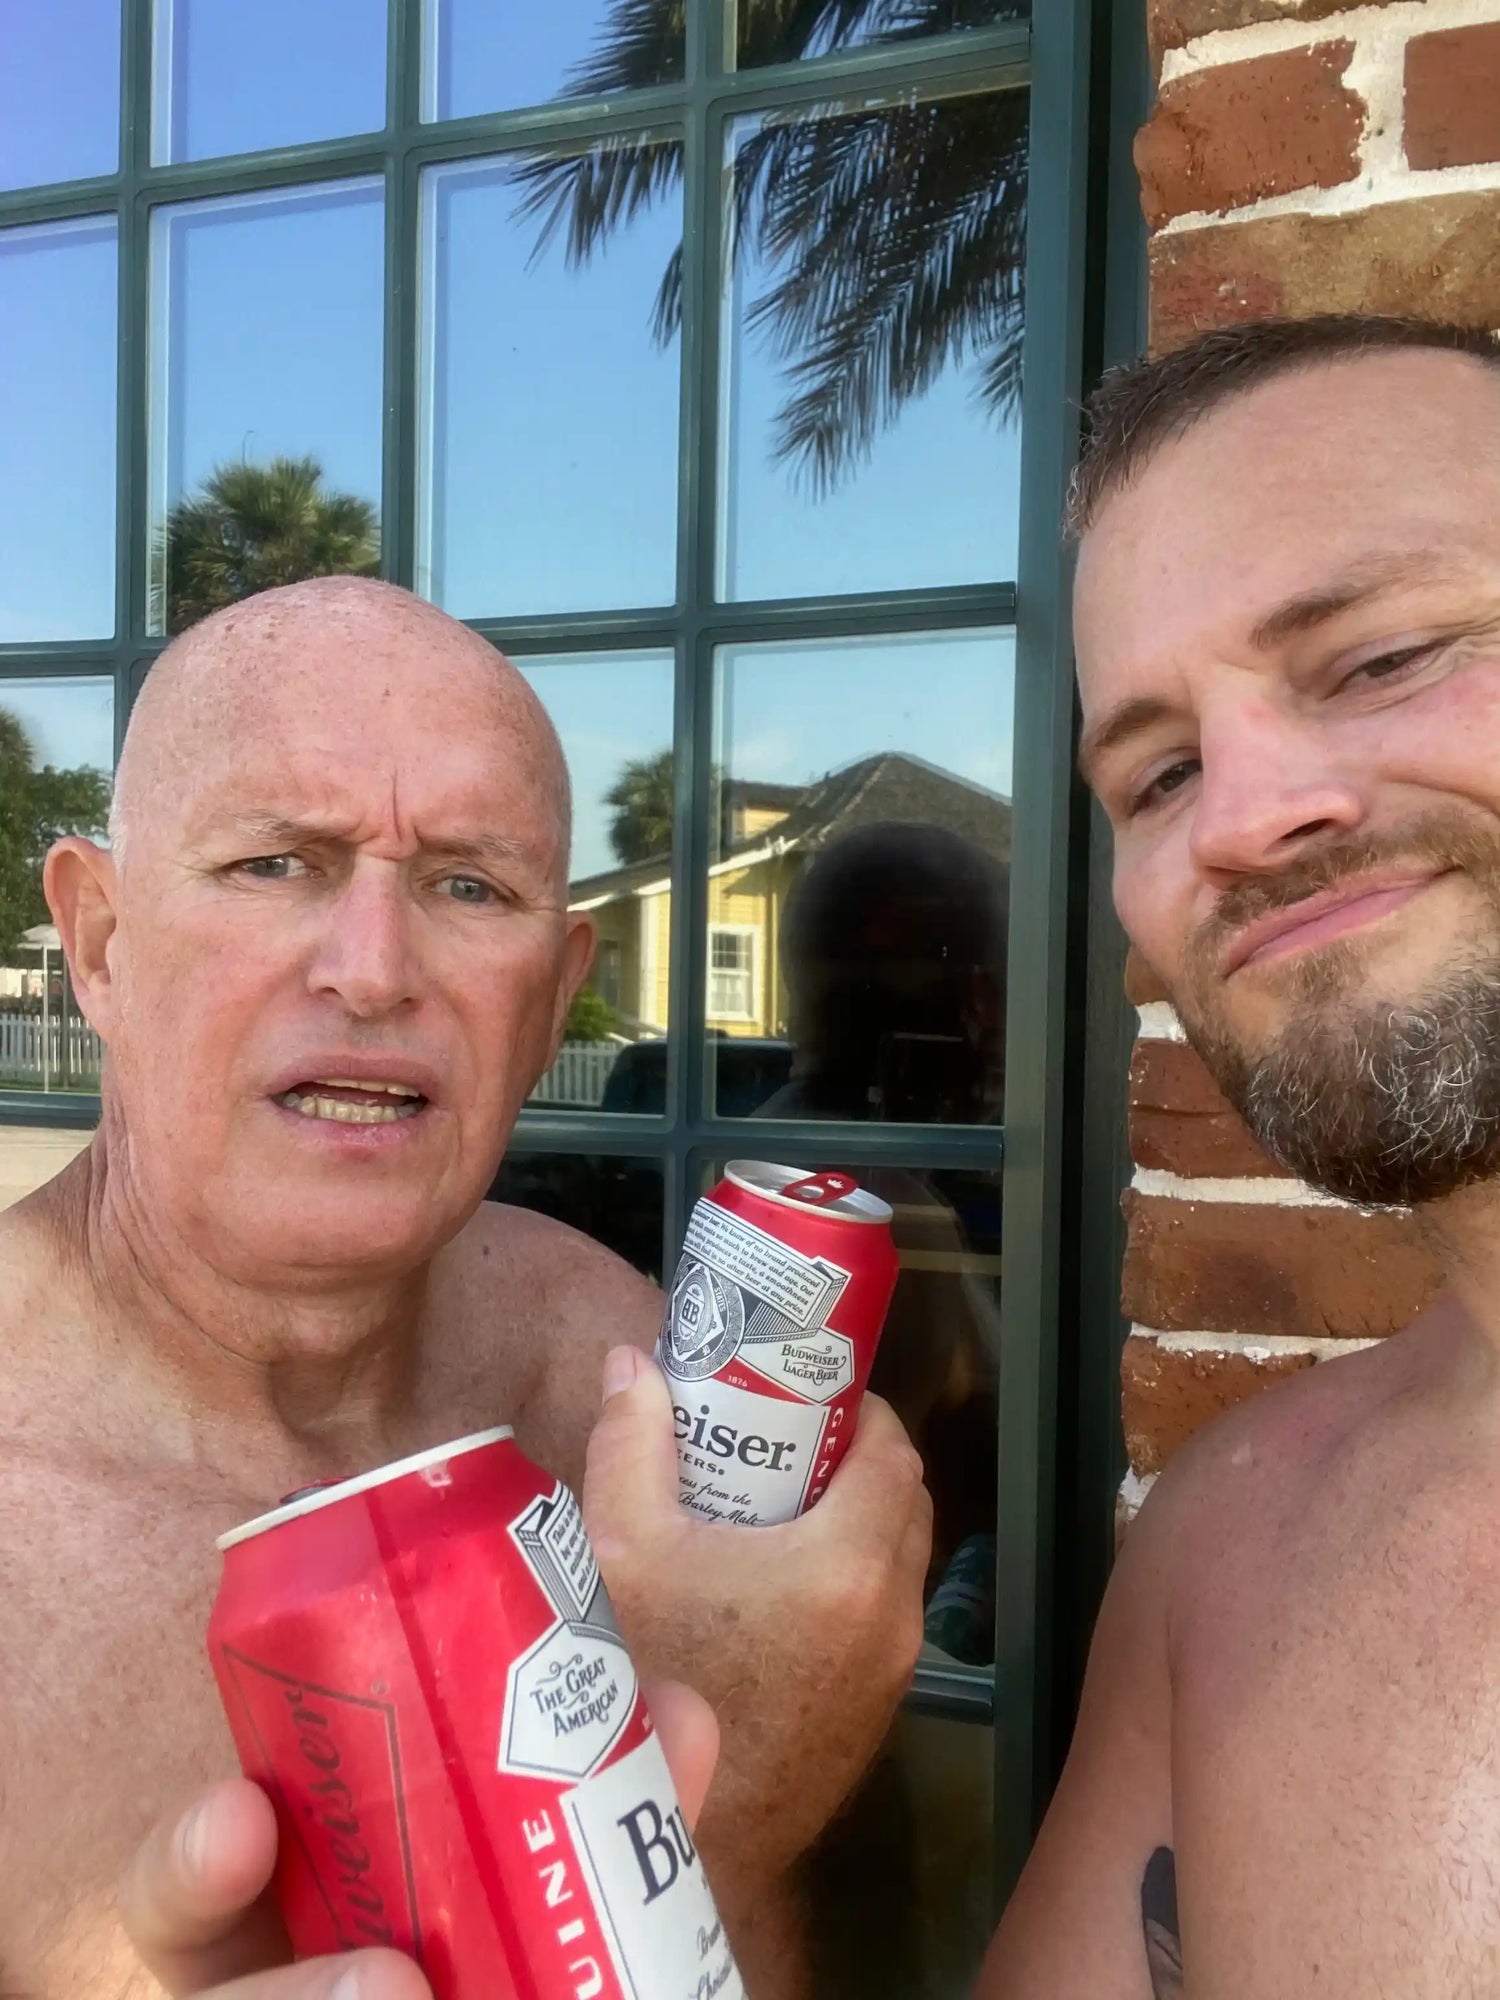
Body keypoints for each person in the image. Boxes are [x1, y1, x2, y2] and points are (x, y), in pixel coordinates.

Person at [0, 575, 931, 2000]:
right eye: (276, 863)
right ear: (101, 943)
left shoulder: (606, 1375)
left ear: (554, 998)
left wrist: (739, 1803)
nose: (374, 972)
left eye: (466, 886)